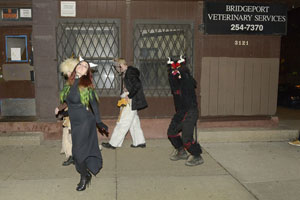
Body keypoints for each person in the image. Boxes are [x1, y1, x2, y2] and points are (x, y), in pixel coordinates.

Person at [57, 59, 108, 191]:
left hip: (86, 122)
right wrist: (62, 111)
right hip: (75, 122)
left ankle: (84, 177)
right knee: (76, 153)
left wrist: (99, 121)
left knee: (78, 153)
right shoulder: (70, 84)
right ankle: (85, 174)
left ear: (87, 72)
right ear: (76, 67)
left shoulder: (86, 85)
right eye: (80, 64)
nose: (81, 67)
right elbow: (70, 103)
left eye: (85, 66)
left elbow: (94, 105)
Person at [166, 56, 204, 166]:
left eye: (176, 67)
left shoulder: (186, 78)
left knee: (187, 138)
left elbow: (189, 82)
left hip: (190, 111)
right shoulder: (174, 79)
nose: (174, 71)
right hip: (181, 111)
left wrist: (181, 72)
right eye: (172, 68)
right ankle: (181, 151)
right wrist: (174, 74)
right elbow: (174, 83)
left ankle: (197, 155)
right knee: (171, 133)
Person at [102, 58, 147, 149]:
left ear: (121, 65)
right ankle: (139, 142)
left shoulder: (129, 72)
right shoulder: (129, 71)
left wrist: (129, 96)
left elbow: (137, 85)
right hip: (130, 99)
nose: (117, 69)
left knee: (123, 121)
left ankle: (114, 143)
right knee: (134, 122)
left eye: (118, 66)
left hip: (129, 100)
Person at [55, 57, 78, 166]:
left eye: (69, 71)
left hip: (75, 114)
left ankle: (75, 156)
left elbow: (71, 100)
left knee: (71, 137)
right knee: (66, 136)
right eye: (67, 72)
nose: (67, 74)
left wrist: (60, 108)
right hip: (69, 114)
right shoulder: (70, 83)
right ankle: (70, 156)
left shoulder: (77, 83)